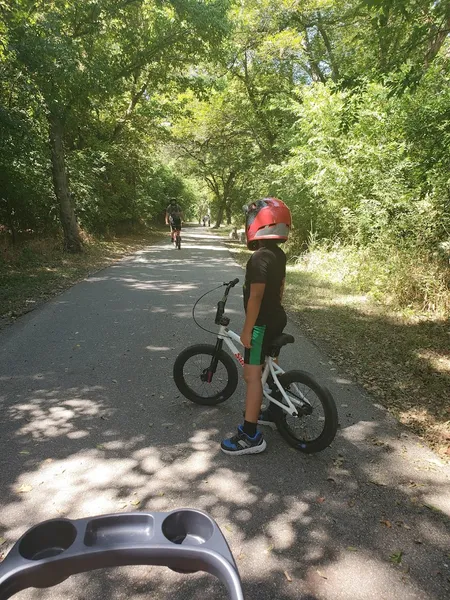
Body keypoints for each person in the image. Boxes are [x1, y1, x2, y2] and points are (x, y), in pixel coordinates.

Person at [221, 198, 292, 456]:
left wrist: (248, 329)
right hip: (277, 318)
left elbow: (255, 297)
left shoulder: (258, 258)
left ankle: (250, 436)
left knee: (251, 377)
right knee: (265, 368)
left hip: (261, 324)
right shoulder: (278, 254)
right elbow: (280, 289)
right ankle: (273, 411)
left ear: (258, 224)